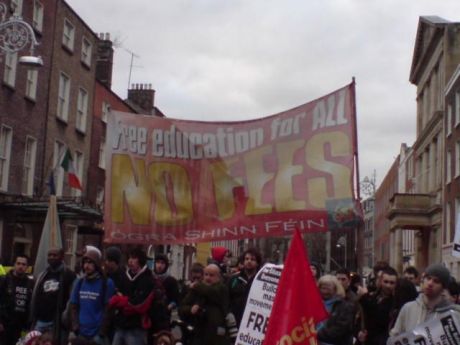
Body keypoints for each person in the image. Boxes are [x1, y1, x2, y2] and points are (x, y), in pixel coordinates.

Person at [389, 263, 460, 338]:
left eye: (436, 281)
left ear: (443, 288)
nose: (430, 283)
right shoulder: (408, 308)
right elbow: (395, 336)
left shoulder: (453, 314)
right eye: (428, 278)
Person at [69, 246, 115, 343]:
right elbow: (73, 306)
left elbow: (109, 309)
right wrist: (75, 327)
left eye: (90, 262)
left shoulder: (106, 283)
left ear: (97, 264)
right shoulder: (79, 282)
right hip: (81, 333)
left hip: (97, 335)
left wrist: (102, 332)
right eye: (85, 262)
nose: (86, 266)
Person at [109, 247, 155, 345]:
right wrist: (122, 300)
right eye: (129, 258)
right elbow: (115, 296)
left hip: (136, 326)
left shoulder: (148, 279)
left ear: (140, 260)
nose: (130, 261)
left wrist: (122, 300)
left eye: (134, 258)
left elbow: (139, 304)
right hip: (121, 324)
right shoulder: (124, 276)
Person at [30, 247, 76, 343]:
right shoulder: (43, 275)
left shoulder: (69, 275)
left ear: (61, 257)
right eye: (49, 255)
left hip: (57, 322)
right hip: (40, 320)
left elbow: (73, 300)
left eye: (55, 255)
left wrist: (67, 319)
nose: (51, 257)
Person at [179, 264, 230, 345]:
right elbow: (182, 307)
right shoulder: (196, 289)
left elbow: (211, 292)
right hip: (199, 332)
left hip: (216, 335)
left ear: (218, 277)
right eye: (206, 274)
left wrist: (196, 285)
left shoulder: (222, 288)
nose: (208, 278)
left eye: (211, 275)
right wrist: (190, 309)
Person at [0, 254, 35, 345]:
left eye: (24, 264)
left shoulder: (30, 283)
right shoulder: (4, 280)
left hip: (21, 326)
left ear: (27, 267)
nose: (21, 266)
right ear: (14, 264)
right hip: (5, 324)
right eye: (18, 263)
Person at [358, 266, 397, 345]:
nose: (388, 285)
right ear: (381, 281)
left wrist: (364, 297)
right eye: (386, 282)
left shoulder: (395, 302)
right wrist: (359, 332)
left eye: (392, 283)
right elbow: (361, 319)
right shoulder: (373, 297)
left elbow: (378, 318)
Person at [316, 275, 356, 345]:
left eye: (328, 289)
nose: (325, 292)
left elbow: (339, 330)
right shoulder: (313, 303)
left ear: (335, 289)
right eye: (323, 288)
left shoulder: (345, 306)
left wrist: (316, 334)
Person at [228, 248, 262, 327]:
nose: (249, 261)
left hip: (253, 324)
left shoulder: (261, 281)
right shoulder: (233, 279)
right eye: (247, 259)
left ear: (257, 263)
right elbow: (226, 299)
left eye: (252, 259)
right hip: (235, 322)